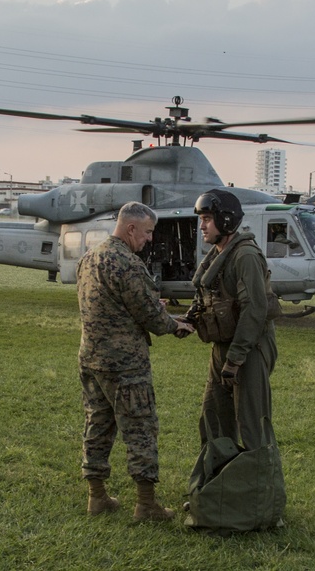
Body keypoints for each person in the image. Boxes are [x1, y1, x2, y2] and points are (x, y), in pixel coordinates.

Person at [76, 201, 195, 521]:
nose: (149, 239)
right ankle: (146, 505)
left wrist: (154, 309)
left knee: (97, 426)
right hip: (125, 365)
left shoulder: (90, 257)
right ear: (131, 228)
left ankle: (97, 497)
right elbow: (153, 318)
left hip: (91, 358)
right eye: (147, 232)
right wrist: (176, 324)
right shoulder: (127, 264)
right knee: (141, 430)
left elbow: (112, 305)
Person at [188, 189, 280, 452]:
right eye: (201, 219)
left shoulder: (245, 256)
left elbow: (254, 310)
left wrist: (236, 359)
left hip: (250, 348)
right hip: (223, 347)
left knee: (253, 425)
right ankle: (217, 488)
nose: (202, 226)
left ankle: (257, 489)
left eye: (206, 218)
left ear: (225, 220)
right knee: (213, 417)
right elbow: (210, 296)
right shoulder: (219, 254)